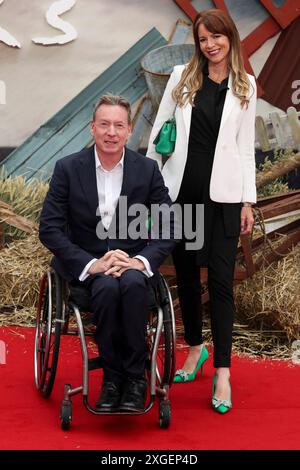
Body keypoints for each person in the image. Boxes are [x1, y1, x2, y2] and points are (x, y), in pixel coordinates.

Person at [146, 9, 257, 414]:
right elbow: (160, 131)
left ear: (230, 37)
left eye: (216, 37)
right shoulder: (181, 77)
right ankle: (196, 348)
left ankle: (223, 371)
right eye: (203, 38)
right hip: (182, 193)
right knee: (189, 277)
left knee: (223, 283)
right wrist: (152, 190)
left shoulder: (246, 85)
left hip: (225, 198)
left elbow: (246, 149)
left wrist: (248, 199)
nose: (210, 44)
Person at [39, 94, 177, 413]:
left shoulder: (147, 170)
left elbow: (170, 223)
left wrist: (140, 261)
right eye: (104, 124)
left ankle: (135, 379)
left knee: (129, 284)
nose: (111, 132)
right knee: (106, 287)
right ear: (93, 128)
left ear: (129, 132)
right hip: (87, 267)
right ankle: (113, 380)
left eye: (118, 125)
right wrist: (91, 264)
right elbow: (50, 228)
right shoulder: (68, 169)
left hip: (131, 263)